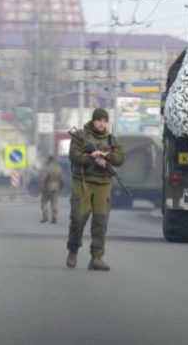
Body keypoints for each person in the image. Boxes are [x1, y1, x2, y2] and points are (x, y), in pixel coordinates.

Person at [67, 108, 124, 271]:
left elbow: (120, 158)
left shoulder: (111, 139)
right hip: (83, 182)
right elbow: (74, 156)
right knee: (78, 219)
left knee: (100, 221)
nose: (102, 123)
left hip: (103, 184)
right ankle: (73, 249)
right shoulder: (80, 135)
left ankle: (96, 258)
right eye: (99, 120)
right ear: (93, 120)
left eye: (105, 121)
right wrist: (92, 158)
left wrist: (106, 157)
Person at [38, 155, 65, 224]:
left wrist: (41, 186)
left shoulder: (47, 168)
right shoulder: (59, 168)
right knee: (54, 203)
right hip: (56, 188)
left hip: (47, 188)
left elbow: (43, 178)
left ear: (48, 160)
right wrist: (61, 187)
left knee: (44, 202)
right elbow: (62, 180)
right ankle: (54, 218)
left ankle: (45, 217)